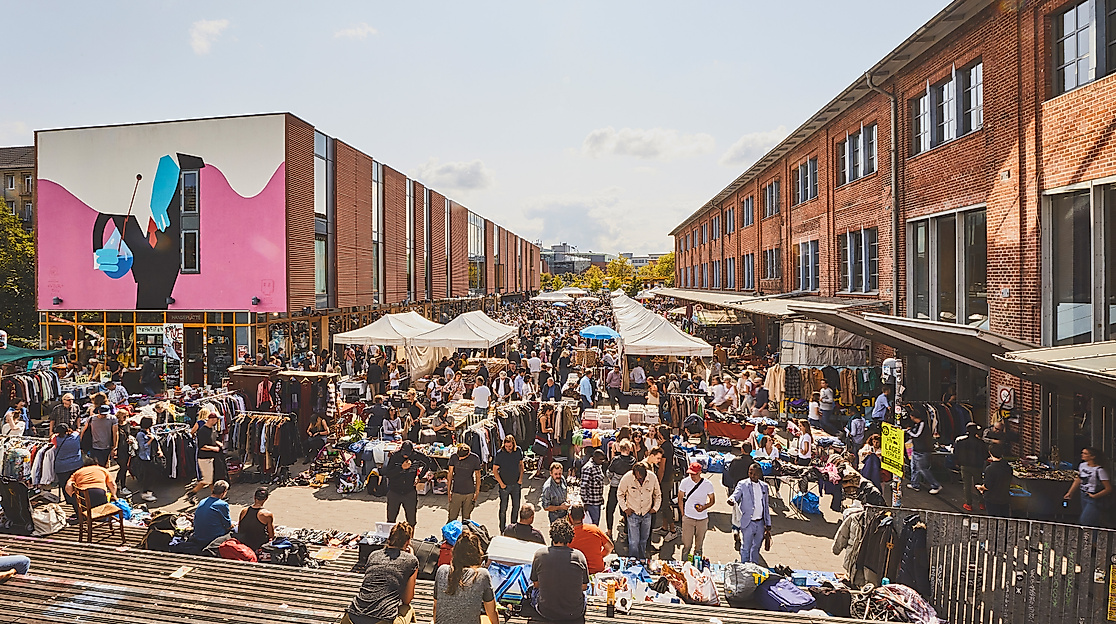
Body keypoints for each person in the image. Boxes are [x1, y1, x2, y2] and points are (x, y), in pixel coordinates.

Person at [345, 522, 419, 624]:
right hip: (382, 620)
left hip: (351, 617)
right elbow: (407, 599)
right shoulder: (411, 560)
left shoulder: (374, 555)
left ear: (389, 539)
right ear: (408, 542)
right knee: (408, 609)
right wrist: (412, 558)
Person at [528, 519, 589, 623]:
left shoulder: (540, 554)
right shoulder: (579, 556)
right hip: (574, 612)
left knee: (531, 590)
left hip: (546, 611)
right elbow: (584, 586)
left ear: (552, 535)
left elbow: (536, 584)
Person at [433, 528, 499, 624]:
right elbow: (492, 612)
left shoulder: (442, 570)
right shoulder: (482, 574)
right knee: (485, 618)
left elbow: (436, 606)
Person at [617, 462, 660, 560]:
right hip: (633, 514)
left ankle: (642, 559)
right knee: (634, 541)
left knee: (644, 540)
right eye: (637, 476)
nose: (639, 478)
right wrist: (625, 509)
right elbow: (620, 494)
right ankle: (633, 561)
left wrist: (655, 508)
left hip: (647, 513)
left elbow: (658, 494)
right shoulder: (627, 477)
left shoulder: (652, 477)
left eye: (641, 476)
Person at [730, 463, 771, 564]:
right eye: (750, 473)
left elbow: (766, 506)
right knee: (746, 547)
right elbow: (736, 494)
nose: (752, 475)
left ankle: (754, 567)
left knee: (756, 547)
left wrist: (768, 523)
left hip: (760, 523)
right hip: (748, 522)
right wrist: (731, 499)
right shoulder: (742, 484)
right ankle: (744, 567)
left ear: (760, 474)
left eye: (755, 474)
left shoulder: (764, 487)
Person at [1064, 447, 1113, 528]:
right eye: (1082, 453)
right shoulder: (1082, 465)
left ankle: (1092, 538)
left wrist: (1095, 496)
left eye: (1085, 453)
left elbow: (1108, 488)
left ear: (1092, 456)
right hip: (1083, 494)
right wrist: (1070, 492)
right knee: (1092, 521)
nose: (1082, 455)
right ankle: (1093, 538)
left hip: (1094, 497)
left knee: (1085, 520)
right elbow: (1078, 479)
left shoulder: (1099, 470)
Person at [383, 441, 428, 527]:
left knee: (411, 521)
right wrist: (401, 468)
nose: (405, 456)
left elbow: (428, 463)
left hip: (409, 491)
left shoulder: (417, 456)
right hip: (394, 491)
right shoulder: (395, 456)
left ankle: (410, 539)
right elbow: (388, 474)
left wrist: (419, 476)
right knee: (390, 519)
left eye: (407, 454)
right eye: (404, 453)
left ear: (412, 451)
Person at [678, 462, 716, 559]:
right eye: (691, 474)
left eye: (694, 474)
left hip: (702, 519)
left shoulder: (708, 484)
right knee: (687, 546)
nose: (692, 476)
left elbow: (712, 501)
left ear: (700, 472)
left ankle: (696, 566)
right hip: (688, 518)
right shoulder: (685, 482)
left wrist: (704, 507)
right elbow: (680, 499)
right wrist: (683, 514)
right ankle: (684, 565)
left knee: (698, 547)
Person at [188, 408, 224, 504]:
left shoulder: (212, 429)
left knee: (211, 479)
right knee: (207, 480)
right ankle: (192, 492)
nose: (217, 421)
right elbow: (202, 446)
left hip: (211, 457)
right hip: (204, 458)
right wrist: (214, 448)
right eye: (217, 419)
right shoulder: (202, 431)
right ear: (212, 419)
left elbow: (212, 440)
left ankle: (216, 497)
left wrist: (218, 443)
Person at [723, 442, 754, 552]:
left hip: (737, 487)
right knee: (747, 512)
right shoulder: (753, 463)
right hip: (750, 491)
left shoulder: (736, 461)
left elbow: (730, 473)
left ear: (742, 449)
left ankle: (736, 529)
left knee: (736, 511)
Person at [568, 504, 613, 575]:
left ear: (570, 516)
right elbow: (610, 547)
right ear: (584, 516)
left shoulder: (567, 535)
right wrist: (600, 556)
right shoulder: (594, 529)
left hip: (578, 573)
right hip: (598, 571)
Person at [954, 422, 989, 512]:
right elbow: (985, 455)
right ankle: (982, 503)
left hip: (965, 465)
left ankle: (968, 504)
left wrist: (958, 462)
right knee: (979, 484)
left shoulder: (960, 441)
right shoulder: (981, 442)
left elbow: (955, 453)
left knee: (967, 485)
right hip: (977, 466)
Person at [493, 435, 524, 533]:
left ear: (513, 444)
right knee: (503, 508)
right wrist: (501, 483)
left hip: (516, 483)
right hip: (505, 485)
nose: (508, 448)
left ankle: (513, 526)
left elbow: (521, 465)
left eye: (510, 446)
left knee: (516, 506)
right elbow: (495, 470)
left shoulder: (518, 451)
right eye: (506, 446)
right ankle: (502, 528)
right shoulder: (500, 453)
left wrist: (520, 479)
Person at [906, 410, 941, 494]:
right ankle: (915, 484)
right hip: (917, 449)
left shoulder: (922, 424)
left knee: (922, 469)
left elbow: (917, 435)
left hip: (922, 450)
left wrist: (909, 432)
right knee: (914, 467)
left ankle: (935, 485)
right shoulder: (917, 425)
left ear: (913, 416)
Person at [605, 439, 635, 536]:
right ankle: (626, 531)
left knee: (610, 509)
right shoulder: (633, 461)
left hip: (615, 487)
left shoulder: (616, 460)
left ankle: (609, 531)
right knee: (626, 509)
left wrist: (612, 479)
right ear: (629, 449)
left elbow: (609, 473)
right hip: (627, 488)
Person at [652, 427, 677, 542]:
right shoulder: (669, 445)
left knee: (665, 504)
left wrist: (658, 482)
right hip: (669, 477)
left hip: (665, 479)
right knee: (663, 504)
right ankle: (664, 527)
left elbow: (662, 467)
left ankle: (673, 530)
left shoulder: (664, 448)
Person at [447, 444, 482, 522]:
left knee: (466, 519)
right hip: (456, 490)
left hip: (469, 492)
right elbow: (450, 474)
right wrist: (449, 491)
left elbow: (478, 476)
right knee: (452, 518)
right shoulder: (454, 457)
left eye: (462, 457)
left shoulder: (474, 458)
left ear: (468, 454)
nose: (459, 458)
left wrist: (477, 492)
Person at [192, 480, 232, 546]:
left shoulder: (202, 501)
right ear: (224, 492)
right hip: (213, 538)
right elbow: (228, 525)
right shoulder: (222, 504)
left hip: (198, 537)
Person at [977, 447, 1012, 518]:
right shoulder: (1008, 467)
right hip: (1005, 498)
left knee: (993, 520)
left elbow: (987, 486)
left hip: (992, 499)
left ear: (990, 453)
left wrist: (980, 488)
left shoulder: (990, 469)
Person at [238, 487, 276, 552]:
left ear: (254, 497)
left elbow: (240, 528)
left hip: (244, 542)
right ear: (266, 499)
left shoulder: (244, 511)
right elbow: (271, 535)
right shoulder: (267, 514)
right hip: (259, 544)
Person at [133, 417, 159, 502]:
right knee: (147, 475)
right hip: (144, 458)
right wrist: (150, 439)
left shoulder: (151, 430)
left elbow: (156, 439)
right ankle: (145, 493)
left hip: (152, 456)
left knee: (152, 474)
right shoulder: (140, 434)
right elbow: (142, 447)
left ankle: (149, 492)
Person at [579, 449, 607, 526]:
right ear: (594, 457)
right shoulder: (588, 468)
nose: (602, 461)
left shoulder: (598, 466)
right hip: (591, 503)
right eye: (601, 459)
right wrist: (585, 503)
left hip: (597, 501)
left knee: (596, 523)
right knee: (592, 525)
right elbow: (583, 486)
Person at [532, 403, 556, 479]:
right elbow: (543, 430)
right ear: (548, 410)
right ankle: (538, 472)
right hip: (542, 437)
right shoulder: (543, 418)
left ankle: (540, 470)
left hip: (542, 437)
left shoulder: (543, 416)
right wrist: (549, 430)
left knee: (544, 453)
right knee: (542, 454)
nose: (551, 414)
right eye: (551, 412)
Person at [114, 408, 134, 495]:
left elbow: (129, 434)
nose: (125, 417)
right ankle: (122, 486)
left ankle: (116, 483)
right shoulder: (115, 426)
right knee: (123, 467)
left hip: (126, 448)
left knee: (124, 467)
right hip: (119, 449)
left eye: (126, 415)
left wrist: (130, 440)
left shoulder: (128, 424)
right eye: (123, 416)